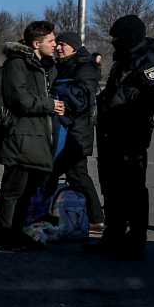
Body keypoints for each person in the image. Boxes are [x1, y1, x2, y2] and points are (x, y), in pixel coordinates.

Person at [91, 14, 154, 260]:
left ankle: (136, 239)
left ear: (129, 37)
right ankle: (113, 234)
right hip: (111, 132)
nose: (114, 42)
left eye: (118, 38)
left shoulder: (147, 62)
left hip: (131, 134)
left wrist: (133, 102)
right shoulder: (124, 60)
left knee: (133, 189)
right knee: (112, 186)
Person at [0, 21, 62, 250]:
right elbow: (20, 100)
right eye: (50, 41)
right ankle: (3, 236)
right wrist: (49, 104)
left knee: (28, 191)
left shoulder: (43, 66)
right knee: (14, 189)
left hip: (37, 135)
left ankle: (17, 231)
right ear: (36, 43)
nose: (55, 44)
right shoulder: (17, 64)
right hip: (20, 134)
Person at [50, 31, 104, 232]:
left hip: (75, 132)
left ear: (73, 46)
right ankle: (91, 217)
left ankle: (95, 217)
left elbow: (82, 99)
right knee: (65, 174)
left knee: (76, 174)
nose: (58, 47)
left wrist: (61, 100)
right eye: (57, 44)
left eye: (62, 44)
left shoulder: (84, 66)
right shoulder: (61, 65)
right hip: (60, 130)